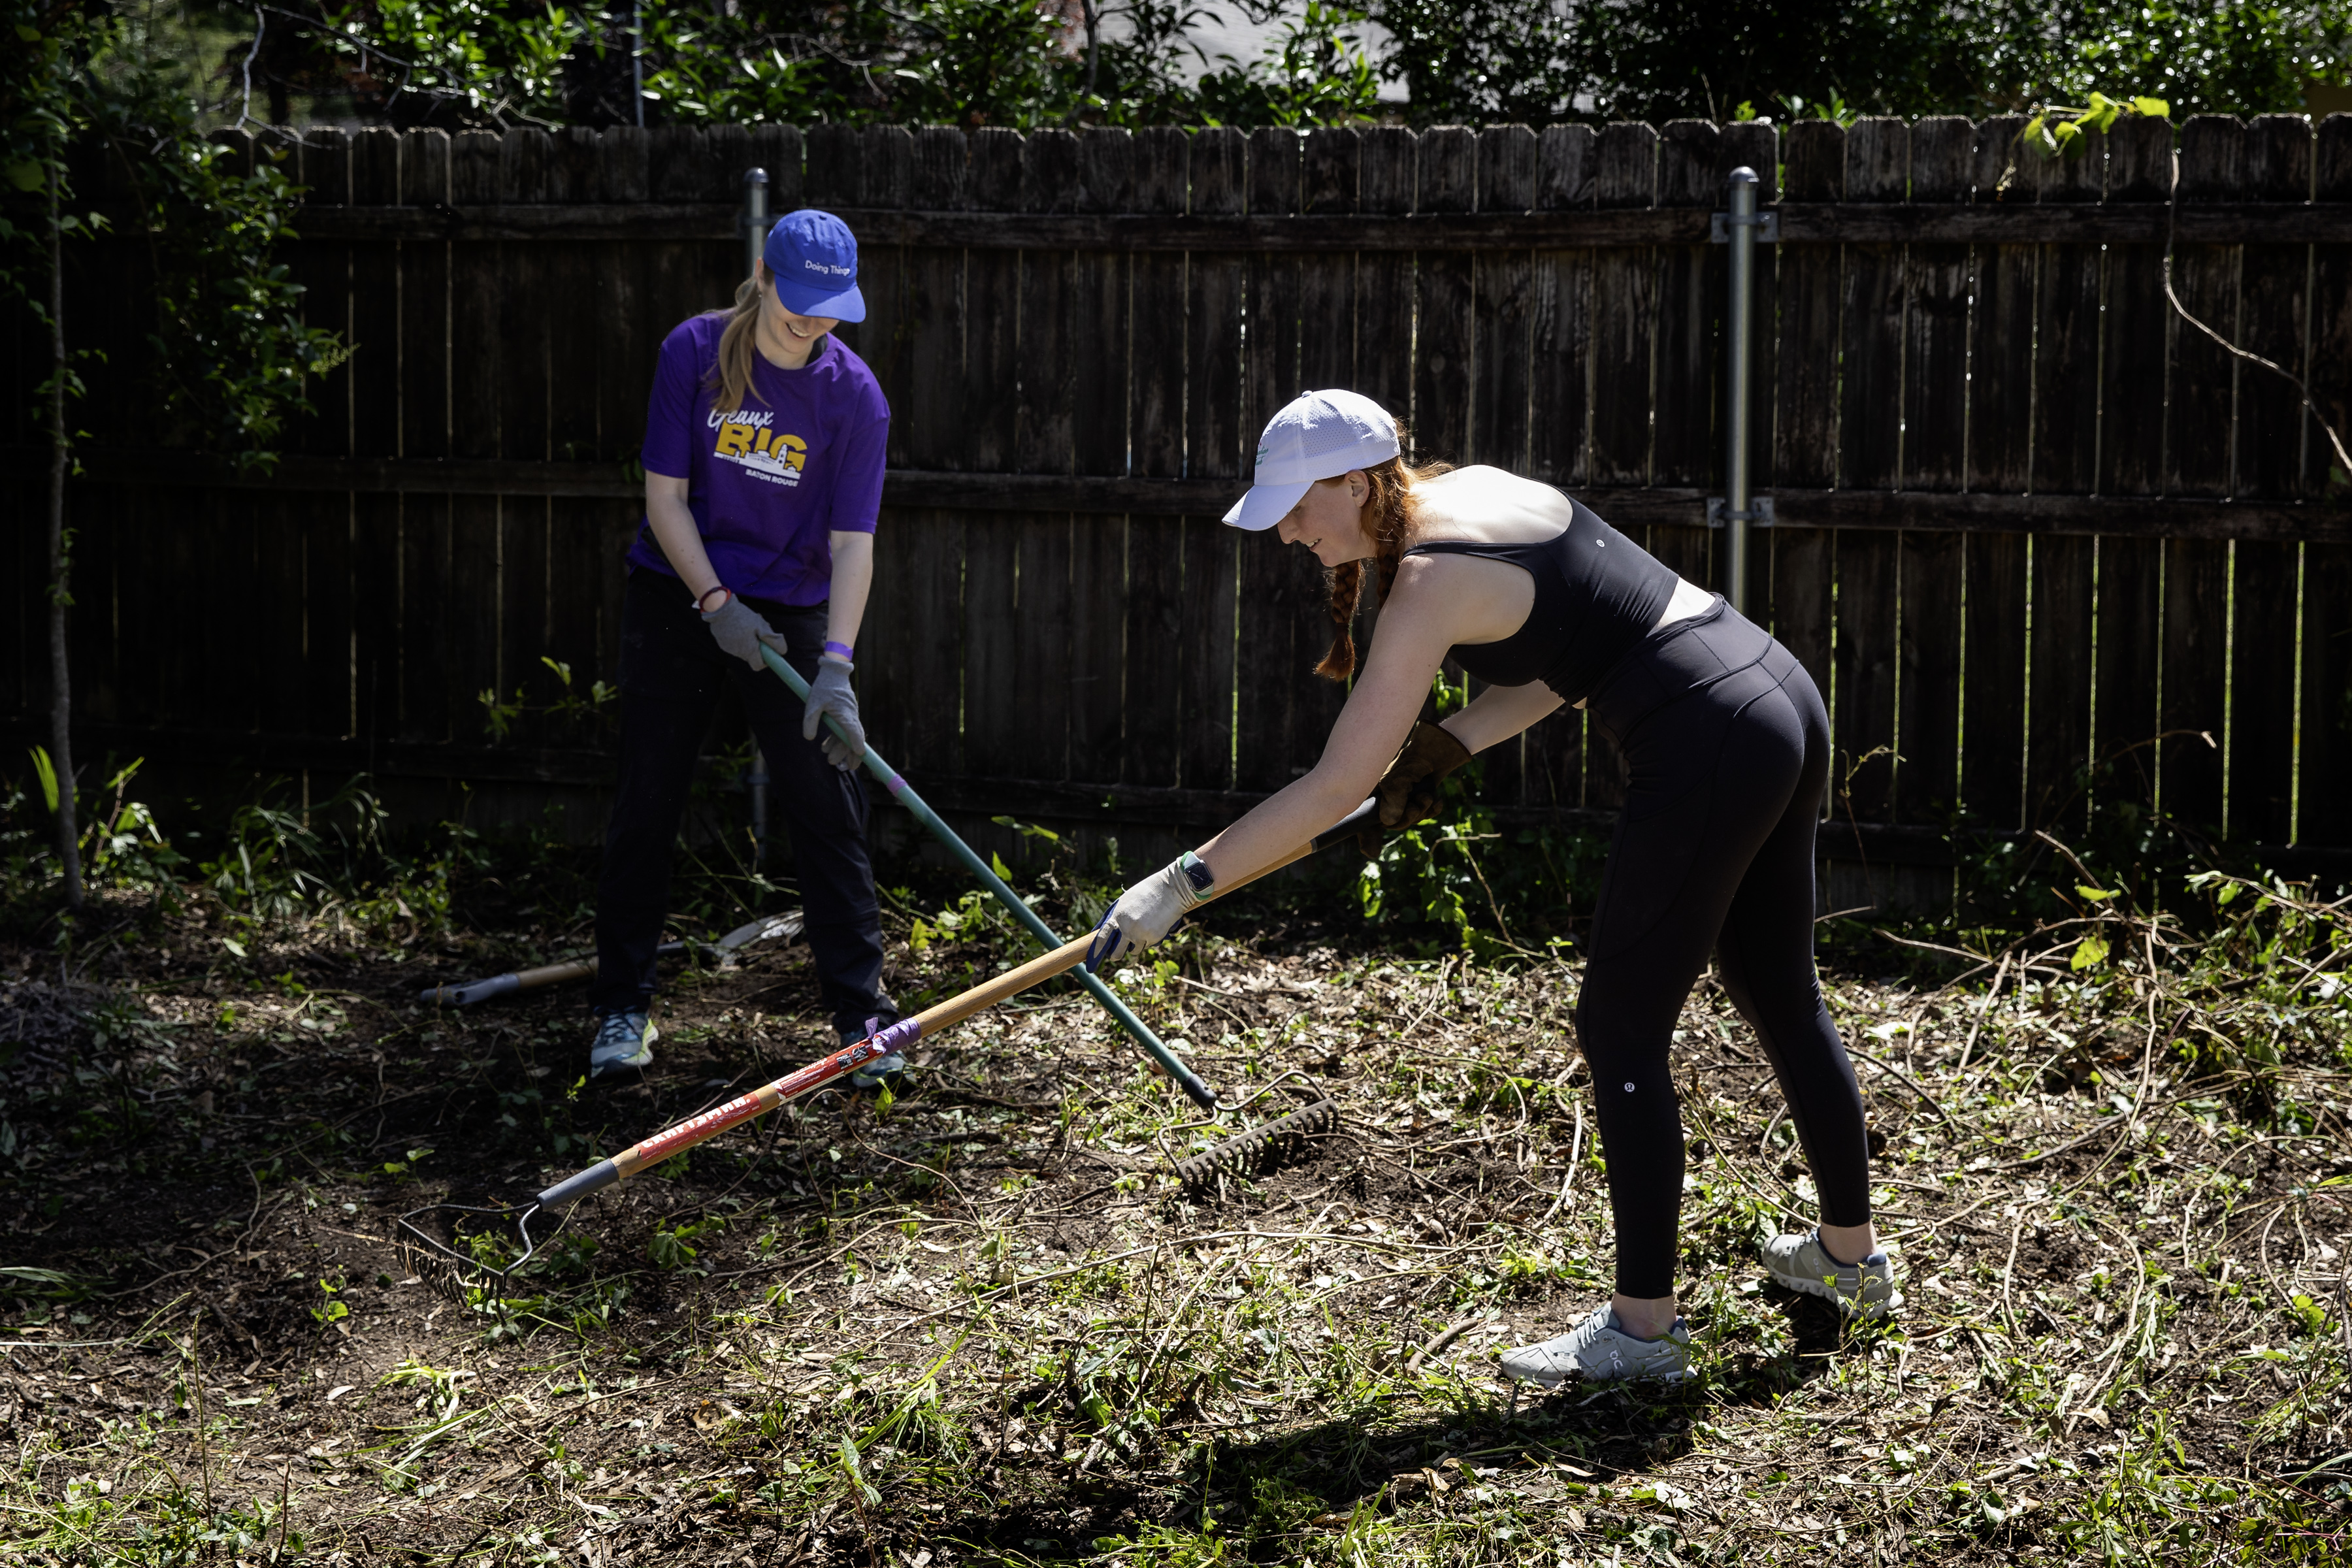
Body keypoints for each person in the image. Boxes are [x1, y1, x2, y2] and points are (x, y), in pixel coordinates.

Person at [1086, 389, 1893, 1382]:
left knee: (1622, 1029)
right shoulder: (1471, 492)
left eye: (1300, 506)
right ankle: (1851, 1265)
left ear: (1355, 482)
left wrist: (1180, 883)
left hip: (1708, 735)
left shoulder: (1426, 581)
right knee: (1778, 985)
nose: (1290, 530)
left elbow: (1340, 780)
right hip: (1770, 688)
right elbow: (1574, 656)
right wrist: (1450, 748)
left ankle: (1643, 1335)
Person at [587, 209, 899, 1086]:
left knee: (827, 801)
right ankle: (622, 1007)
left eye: (830, 307)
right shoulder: (692, 351)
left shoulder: (854, 396)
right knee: (648, 796)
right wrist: (714, 601)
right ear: (763, 275)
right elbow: (664, 496)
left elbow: (852, 544)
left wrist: (835, 662)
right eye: (798, 302)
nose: (813, 321)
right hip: (679, 592)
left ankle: (863, 1021)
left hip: (793, 607)